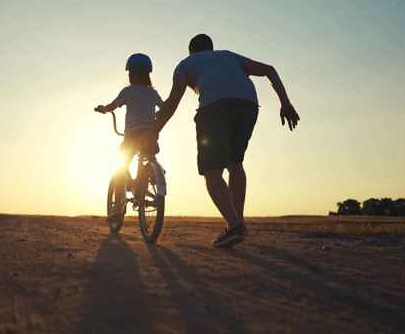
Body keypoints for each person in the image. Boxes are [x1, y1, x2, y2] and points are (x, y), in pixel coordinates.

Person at [156, 34, 300, 248]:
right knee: (235, 164)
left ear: (191, 51)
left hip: (215, 109)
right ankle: (237, 222)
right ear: (211, 49)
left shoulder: (185, 65)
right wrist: (285, 103)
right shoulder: (229, 56)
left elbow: (172, 104)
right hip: (248, 105)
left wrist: (155, 130)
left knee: (212, 172)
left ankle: (234, 226)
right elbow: (269, 69)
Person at [95, 53, 163, 210]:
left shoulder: (127, 91)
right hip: (150, 136)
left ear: (130, 74)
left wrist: (103, 109)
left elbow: (112, 106)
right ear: (148, 74)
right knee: (149, 155)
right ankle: (147, 179)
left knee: (123, 160)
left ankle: (129, 189)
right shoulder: (152, 93)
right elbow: (164, 107)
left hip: (132, 136)